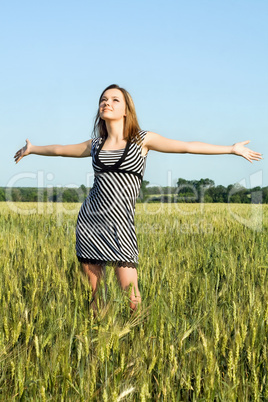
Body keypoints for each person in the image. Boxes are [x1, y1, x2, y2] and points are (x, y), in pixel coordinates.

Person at [14, 84, 262, 313]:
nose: (106, 103)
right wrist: (33, 149)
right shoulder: (95, 145)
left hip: (121, 224)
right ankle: (96, 341)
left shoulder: (142, 140)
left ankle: (137, 338)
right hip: (90, 222)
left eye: (114, 99)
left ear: (126, 110)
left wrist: (231, 149)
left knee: (132, 297)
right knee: (94, 297)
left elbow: (187, 146)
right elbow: (60, 150)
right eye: (103, 99)